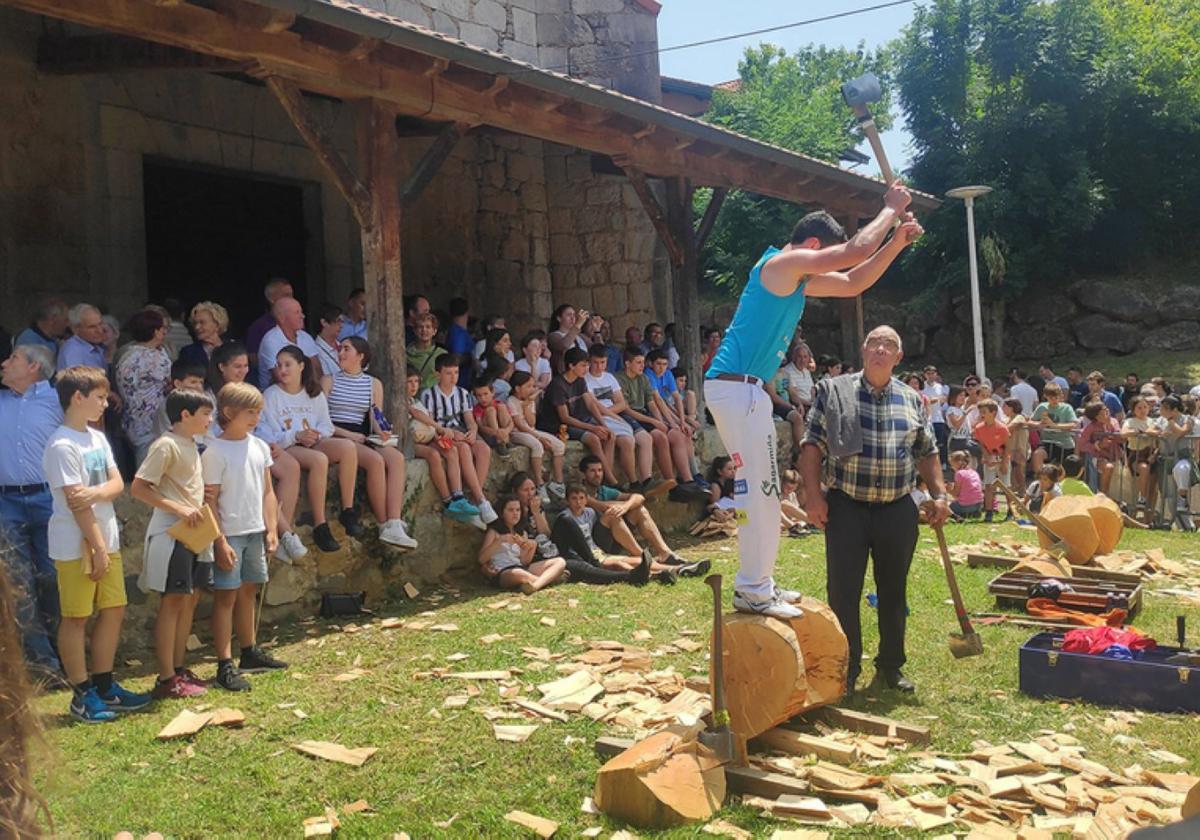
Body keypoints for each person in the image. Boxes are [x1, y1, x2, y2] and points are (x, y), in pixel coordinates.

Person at [706, 182, 923, 618]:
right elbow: (852, 252)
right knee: (761, 491)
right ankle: (752, 587)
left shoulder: (795, 281)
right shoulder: (782, 264)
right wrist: (889, 209)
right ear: (810, 246)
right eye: (821, 253)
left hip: (744, 389)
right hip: (738, 387)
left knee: (764, 493)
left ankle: (758, 583)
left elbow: (854, 280)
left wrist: (897, 241)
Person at [801, 326, 948, 694]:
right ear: (864, 351)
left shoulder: (912, 399)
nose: (880, 349)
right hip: (846, 506)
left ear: (898, 357)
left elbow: (927, 451)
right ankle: (846, 670)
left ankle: (891, 667)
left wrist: (940, 495)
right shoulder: (834, 392)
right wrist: (814, 497)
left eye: (889, 345)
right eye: (874, 343)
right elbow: (811, 446)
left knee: (894, 590)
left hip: (897, 509)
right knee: (843, 591)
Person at [44, 367, 151, 721]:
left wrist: (96, 493)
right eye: (100, 397)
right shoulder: (61, 445)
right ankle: (81, 693)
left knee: (114, 609)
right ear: (78, 397)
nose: (106, 404)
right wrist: (97, 547)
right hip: (76, 544)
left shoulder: (97, 438)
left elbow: (117, 482)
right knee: (76, 617)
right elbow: (77, 505)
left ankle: (106, 685)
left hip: (106, 538)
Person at [131, 389, 216, 700]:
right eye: (206, 414)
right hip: (172, 535)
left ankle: (179, 668)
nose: (210, 420)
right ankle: (166, 677)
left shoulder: (192, 444)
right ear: (185, 415)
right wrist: (178, 508)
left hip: (195, 534)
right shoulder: (165, 445)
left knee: (188, 600)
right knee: (172, 603)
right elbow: (139, 488)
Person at [203, 382, 287, 691]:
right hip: (230, 533)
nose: (255, 418)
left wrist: (272, 527)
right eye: (250, 412)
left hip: (254, 530)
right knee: (226, 596)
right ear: (228, 413)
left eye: (258, 412)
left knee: (248, 591)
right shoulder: (214, 451)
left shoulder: (259, 446)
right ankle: (224, 662)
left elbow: (267, 490)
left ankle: (249, 651)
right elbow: (209, 499)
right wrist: (219, 540)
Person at [0, 344, 64, 679]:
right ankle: (44, 665)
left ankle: (66, 653)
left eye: (12, 359)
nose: (4, 363)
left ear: (34, 367)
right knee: (18, 583)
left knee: (55, 578)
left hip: (48, 498)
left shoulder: (57, 400)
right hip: (6, 502)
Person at [210, 342, 306, 562]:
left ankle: (280, 533)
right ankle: (286, 534)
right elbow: (217, 429)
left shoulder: (250, 391)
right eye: (237, 366)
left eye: (245, 366)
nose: (243, 371)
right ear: (221, 367)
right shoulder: (213, 396)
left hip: (258, 445)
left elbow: (261, 422)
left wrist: (271, 442)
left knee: (290, 466)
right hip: (230, 449)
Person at [257, 345, 359, 552]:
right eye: (279, 365)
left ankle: (348, 511)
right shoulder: (271, 395)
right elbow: (271, 434)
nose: (282, 370)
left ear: (301, 366)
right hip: (289, 444)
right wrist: (296, 436)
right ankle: (320, 524)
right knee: (319, 460)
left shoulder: (313, 392)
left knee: (348, 447)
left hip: (312, 441)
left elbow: (327, 425)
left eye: (288, 364)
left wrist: (315, 435)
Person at [323, 338, 418, 549]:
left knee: (396, 457)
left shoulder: (373, 384)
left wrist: (382, 431)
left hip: (362, 435)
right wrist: (347, 434)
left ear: (360, 356)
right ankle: (384, 523)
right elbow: (321, 419)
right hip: (337, 435)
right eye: (341, 349)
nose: (341, 353)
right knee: (375, 461)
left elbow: (375, 416)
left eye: (347, 349)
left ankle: (394, 521)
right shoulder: (328, 381)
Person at [578, 454, 705, 579]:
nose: (597, 474)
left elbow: (639, 497)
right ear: (583, 474)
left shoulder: (604, 490)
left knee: (638, 509)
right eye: (592, 471)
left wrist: (626, 506)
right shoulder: (578, 493)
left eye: (600, 470)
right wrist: (620, 506)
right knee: (612, 514)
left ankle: (665, 554)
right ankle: (644, 558)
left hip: (613, 538)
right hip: (595, 544)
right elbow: (599, 505)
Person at [614, 346, 705, 499]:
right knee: (657, 437)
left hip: (644, 414)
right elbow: (627, 409)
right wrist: (654, 421)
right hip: (628, 416)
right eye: (638, 362)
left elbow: (651, 404)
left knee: (670, 435)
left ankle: (684, 481)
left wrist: (661, 422)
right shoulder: (619, 378)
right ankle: (664, 483)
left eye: (643, 362)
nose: (642, 366)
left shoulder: (643, 378)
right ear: (627, 364)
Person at [419, 355, 498, 524]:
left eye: (456, 372)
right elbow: (431, 425)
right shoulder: (428, 394)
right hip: (441, 433)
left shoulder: (462, 393)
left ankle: (475, 497)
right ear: (438, 374)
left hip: (460, 430)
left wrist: (472, 430)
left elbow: (469, 419)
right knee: (462, 448)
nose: (453, 377)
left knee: (483, 449)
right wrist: (452, 434)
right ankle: (481, 500)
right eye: (448, 373)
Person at [404, 369, 484, 528]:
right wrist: (439, 428)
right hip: (409, 443)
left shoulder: (416, 400)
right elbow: (417, 415)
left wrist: (438, 436)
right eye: (409, 382)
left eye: (416, 382)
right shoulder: (403, 401)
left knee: (451, 450)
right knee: (433, 455)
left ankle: (458, 497)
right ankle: (448, 502)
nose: (414, 386)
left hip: (428, 438)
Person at [583, 344, 664, 493]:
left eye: (603, 363)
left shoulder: (609, 377)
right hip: (597, 417)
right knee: (610, 438)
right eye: (596, 362)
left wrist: (610, 413)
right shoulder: (585, 379)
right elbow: (593, 405)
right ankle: (610, 482)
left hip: (611, 415)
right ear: (589, 362)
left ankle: (634, 483)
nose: (599, 366)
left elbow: (621, 403)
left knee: (628, 441)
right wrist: (609, 414)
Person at [536, 347, 617, 484]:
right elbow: (564, 417)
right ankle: (611, 481)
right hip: (559, 425)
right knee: (593, 439)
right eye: (583, 365)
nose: (586, 369)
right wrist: (592, 428)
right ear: (571, 366)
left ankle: (604, 478)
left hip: (579, 419)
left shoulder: (580, 380)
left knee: (609, 436)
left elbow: (590, 404)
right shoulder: (558, 385)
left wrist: (603, 424)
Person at [556, 484, 654, 582]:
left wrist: (624, 507)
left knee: (635, 560)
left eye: (581, 498)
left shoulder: (590, 513)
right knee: (620, 564)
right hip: (586, 557)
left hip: (597, 551)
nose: (578, 502)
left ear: (586, 500)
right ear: (567, 500)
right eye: (574, 499)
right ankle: (650, 576)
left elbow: (606, 512)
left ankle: (666, 569)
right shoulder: (565, 518)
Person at [115, 308, 173, 463]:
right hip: (152, 423)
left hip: (132, 421)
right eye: (162, 329)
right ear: (156, 332)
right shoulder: (153, 357)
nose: (164, 333)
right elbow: (171, 382)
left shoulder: (126, 354)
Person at [478, 494, 567, 594]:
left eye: (518, 510)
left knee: (560, 562)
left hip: (519, 566)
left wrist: (532, 546)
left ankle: (535, 585)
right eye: (511, 510)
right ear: (502, 513)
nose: (515, 514)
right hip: (502, 571)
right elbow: (481, 559)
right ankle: (549, 580)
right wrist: (500, 541)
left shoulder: (521, 533)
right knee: (518, 573)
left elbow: (524, 562)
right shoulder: (494, 532)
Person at [257, 297, 322, 389]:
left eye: (301, 312)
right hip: (279, 394)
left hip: (307, 390)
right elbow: (280, 377)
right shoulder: (271, 340)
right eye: (297, 313)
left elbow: (317, 369)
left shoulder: (305, 337)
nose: (302, 316)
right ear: (281, 318)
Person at [150, 358, 209, 441]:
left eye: (201, 382)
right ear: (178, 383)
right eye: (193, 382)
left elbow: (208, 435)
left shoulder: (201, 405)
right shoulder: (167, 406)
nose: (199, 387)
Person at [1122, 395, 1162, 513]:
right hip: (1137, 455)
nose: (1143, 410)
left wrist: (1154, 455)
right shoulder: (1130, 421)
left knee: (1153, 487)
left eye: (1145, 407)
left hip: (1152, 454)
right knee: (1143, 468)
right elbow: (1123, 433)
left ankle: (1148, 518)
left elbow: (1159, 439)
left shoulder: (1152, 422)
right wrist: (1136, 432)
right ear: (1133, 409)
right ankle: (1142, 498)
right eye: (1139, 407)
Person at [972, 398, 1010, 522]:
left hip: (1002, 457)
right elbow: (981, 444)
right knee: (988, 485)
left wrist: (1004, 463)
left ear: (993, 412)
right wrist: (986, 456)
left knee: (1006, 486)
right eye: (980, 412)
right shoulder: (979, 428)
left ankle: (1011, 511)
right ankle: (989, 512)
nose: (982, 414)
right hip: (990, 457)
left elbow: (1007, 446)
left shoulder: (1002, 428)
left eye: (984, 411)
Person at [245, 278, 293, 372]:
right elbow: (253, 358)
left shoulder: (296, 322)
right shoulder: (258, 327)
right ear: (271, 299)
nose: (291, 299)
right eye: (286, 295)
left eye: (292, 295)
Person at [1031, 383, 1078, 471]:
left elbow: (1073, 424)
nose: (1054, 400)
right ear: (1046, 396)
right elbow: (1030, 421)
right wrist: (1038, 424)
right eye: (1051, 398)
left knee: (1061, 470)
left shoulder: (1067, 408)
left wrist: (1054, 425)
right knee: (1037, 455)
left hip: (1064, 444)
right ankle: (1040, 479)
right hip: (1046, 442)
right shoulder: (1042, 407)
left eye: (1056, 397)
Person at [1077, 402, 1121, 495]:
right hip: (1097, 457)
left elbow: (1120, 438)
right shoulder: (1091, 427)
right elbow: (1082, 444)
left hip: (1114, 456)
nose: (1106, 411)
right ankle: (1102, 495)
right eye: (1103, 411)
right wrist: (1098, 445)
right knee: (1108, 468)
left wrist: (1109, 425)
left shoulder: (1114, 421)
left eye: (1106, 409)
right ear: (1096, 416)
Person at [178, 301, 230, 369]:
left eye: (202, 322)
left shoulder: (232, 348)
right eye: (195, 323)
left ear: (217, 324)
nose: (197, 327)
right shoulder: (188, 352)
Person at [56, 303, 107, 371]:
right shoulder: (73, 352)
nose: (100, 330)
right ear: (76, 329)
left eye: (100, 324)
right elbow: (75, 380)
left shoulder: (95, 346)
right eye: (92, 327)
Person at [472, 379, 514, 456]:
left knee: (501, 407)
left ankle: (506, 441)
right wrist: (496, 433)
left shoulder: (499, 403)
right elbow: (481, 427)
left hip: (504, 434)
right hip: (490, 436)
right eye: (479, 395)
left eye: (485, 394)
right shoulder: (477, 409)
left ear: (492, 392)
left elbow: (511, 422)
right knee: (490, 410)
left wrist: (506, 431)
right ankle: (500, 443)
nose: (483, 398)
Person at [406, 311, 446, 391]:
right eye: (420, 327)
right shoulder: (405, 354)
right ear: (415, 330)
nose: (424, 330)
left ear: (434, 331)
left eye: (428, 327)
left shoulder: (441, 354)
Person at [547, 303, 590, 373]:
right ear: (559, 318)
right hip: (566, 375)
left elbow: (597, 349)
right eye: (569, 315)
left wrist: (597, 331)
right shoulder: (553, 336)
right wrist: (578, 325)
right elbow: (564, 345)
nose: (573, 318)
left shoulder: (580, 336)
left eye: (574, 315)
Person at [444, 297, 475, 389]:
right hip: (460, 383)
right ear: (467, 311)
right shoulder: (457, 333)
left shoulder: (458, 332)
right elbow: (456, 358)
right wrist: (472, 358)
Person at [921, 365, 950, 462]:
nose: (931, 376)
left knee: (941, 442)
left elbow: (943, 400)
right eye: (928, 374)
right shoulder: (922, 386)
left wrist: (935, 400)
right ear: (925, 375)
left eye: (933, 373)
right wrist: (931, 400)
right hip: (927, 419)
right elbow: (924, 400)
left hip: (939, 418)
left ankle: (942, 462)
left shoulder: (940, 387)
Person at [1001, 397, 1031, 491]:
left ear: (1011, 407)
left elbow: (1010, 428)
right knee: (1011, 474)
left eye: (1005, 406)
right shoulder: (1006, 419)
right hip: (1009, 450)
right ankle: (1013, 492)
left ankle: (1023, 491)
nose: (1002, 408)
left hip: (1019, 449)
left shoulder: (1019, 417)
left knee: (1019, 472)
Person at [947, 451, 984, 520]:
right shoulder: (974, 472)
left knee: (948, 507)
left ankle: (963, 513)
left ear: (958, 462)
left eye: (952, 464)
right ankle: (973, 513)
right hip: (978, 504)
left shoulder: (959, 473)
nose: (951, 467)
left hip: (965, 505)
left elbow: (956, 494)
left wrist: (948, 490)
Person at [313, 303, 344, 376]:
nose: (341, 326)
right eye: (338, 321)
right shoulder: (315, 351)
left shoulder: (342, 346)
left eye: (342, 322)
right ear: (324, 322)